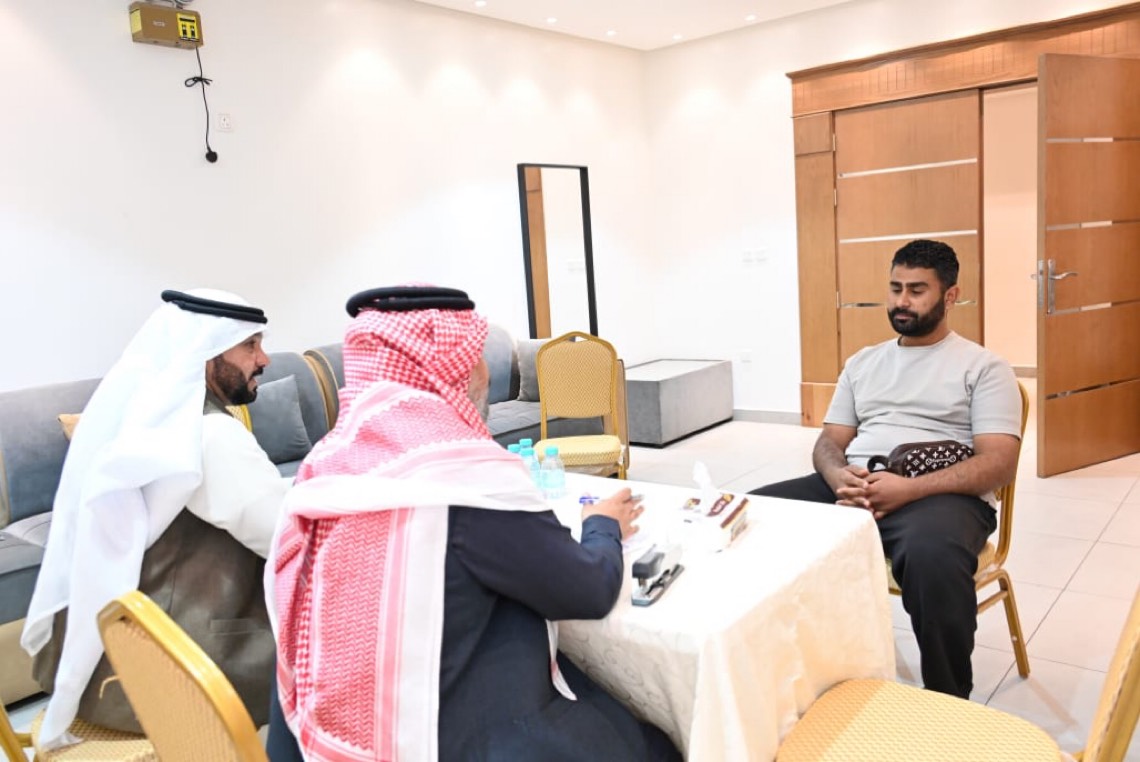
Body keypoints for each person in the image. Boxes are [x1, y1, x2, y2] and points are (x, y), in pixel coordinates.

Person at [268, 286, 682, 762]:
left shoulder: (323, 470)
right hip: (455, 736)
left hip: (324, 734)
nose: (485, 370)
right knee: (656, 744)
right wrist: (601, 524)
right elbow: (587, 590)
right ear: (452, 368)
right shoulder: (459, 481)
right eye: (476, 355)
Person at [750, 240, 1022, 699]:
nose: (901, 301)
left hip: (941, 496)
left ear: (950, 296)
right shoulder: (863, 362)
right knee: (751, 516)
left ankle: (947, 699)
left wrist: (909, 490)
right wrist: (838, 477)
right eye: (895, 288)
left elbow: (999, 463)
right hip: (855, 484)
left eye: (917, 290)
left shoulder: (983, 368)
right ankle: (784, 669)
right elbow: (829, 442)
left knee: (932, 556)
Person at [23, 288, 290, 748]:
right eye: (250, 344)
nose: (263, 359)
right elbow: (284, 537)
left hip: (111, 664)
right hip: (176, 683)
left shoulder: (144, 416)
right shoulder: (210, 435)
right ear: (207, 353)